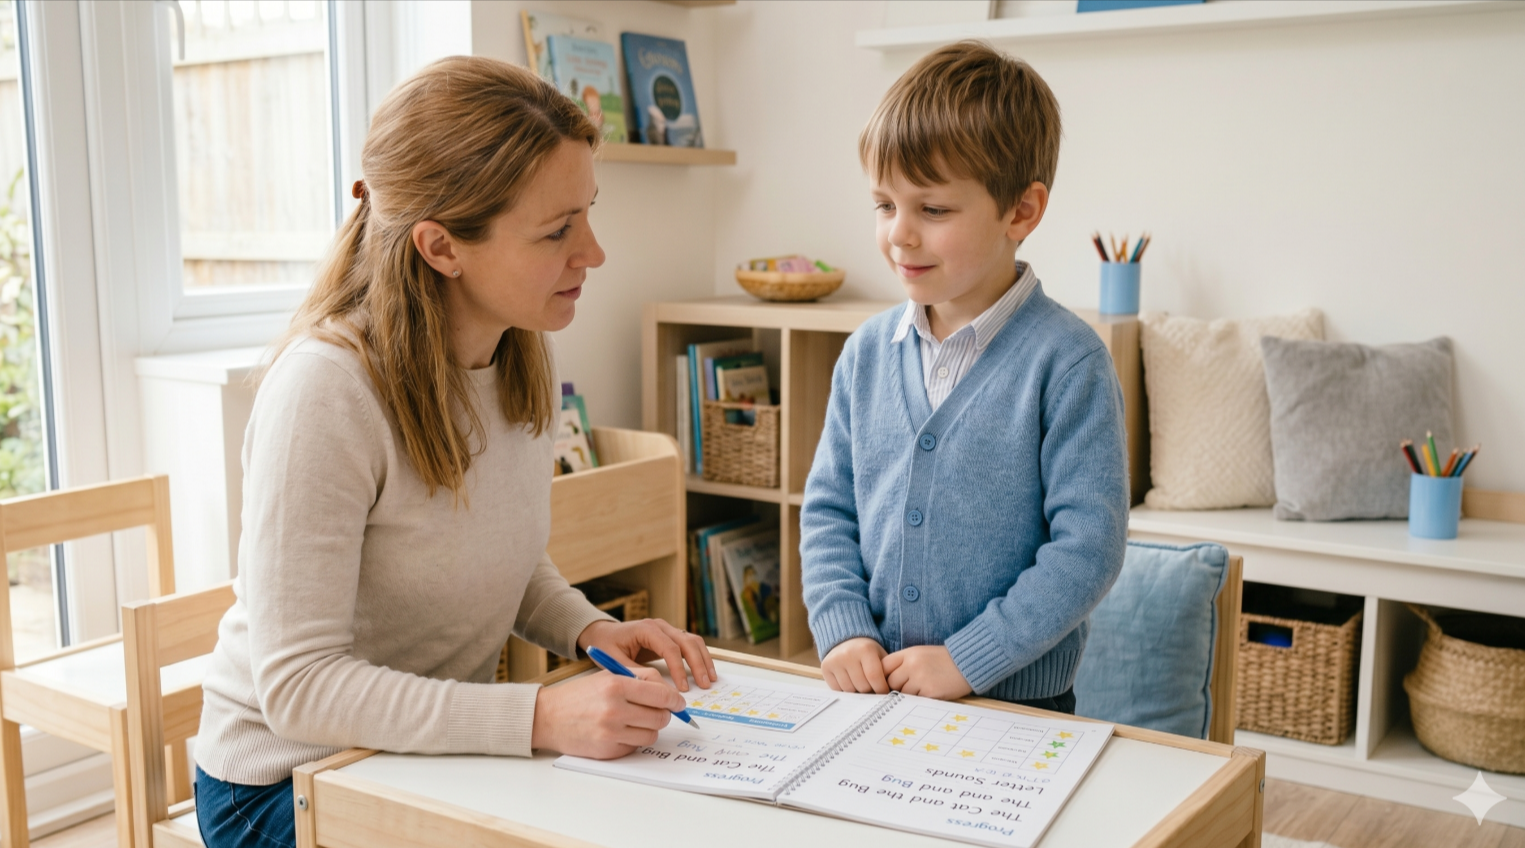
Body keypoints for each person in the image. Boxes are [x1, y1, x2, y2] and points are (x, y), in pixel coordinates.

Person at [193, 56, 715, 848]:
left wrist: (585, 630)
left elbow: (493, 550)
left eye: (587, 213)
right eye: (557, 230)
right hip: (285, 782)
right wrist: (538, 714)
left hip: (420, 755)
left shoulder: (516, 352)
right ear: (441, 247)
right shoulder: (324, 393)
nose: (595, 253)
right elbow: (298, 688)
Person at [800, 42, 1129, 711]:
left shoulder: (1067, 362)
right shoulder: (865, 353)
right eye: (884, 205)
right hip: (876, 690)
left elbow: (1087, 548)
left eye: (933, 210)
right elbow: (829, 511)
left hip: (1017, 706)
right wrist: (841, 631)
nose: (899, 234)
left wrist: (968, 659)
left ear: (1020, 212)